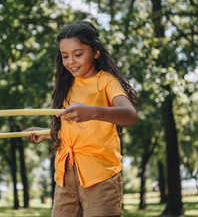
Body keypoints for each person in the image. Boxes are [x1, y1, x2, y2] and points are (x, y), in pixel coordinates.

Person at [25, 20, 140, 217]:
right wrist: (48, 134)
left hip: (100, 175)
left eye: (78, 54)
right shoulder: (66, 85)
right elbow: (78, 132)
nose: (71, 61)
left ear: (96, 52)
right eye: (65, 56)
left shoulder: (105, 82)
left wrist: (93, 112)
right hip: (66, 175)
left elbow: (130, 115)